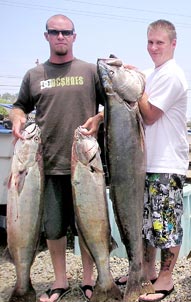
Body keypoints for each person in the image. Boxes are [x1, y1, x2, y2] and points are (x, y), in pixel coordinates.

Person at [10, 14, 105, 302]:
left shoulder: (90, 71)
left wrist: (100, 118)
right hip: (45, 166)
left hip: (86, 167)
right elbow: (19, 107)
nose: (60, 37)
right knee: (53, 228)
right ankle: (60, 281)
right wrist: (16, 119)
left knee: (88, 225)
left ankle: (90, 281)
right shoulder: (34, 75)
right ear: (46, 36)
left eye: (66, 32)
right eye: (55, 32)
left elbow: (111, 104)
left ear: (74, 36)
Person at [115, 19, 189, 302]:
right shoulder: (151, 73)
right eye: (150, 42)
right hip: (144, 164)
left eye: (160, 42)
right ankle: (147, 271)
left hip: (166, 165)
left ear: (173, 43)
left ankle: (166, 278)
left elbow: (148, 114)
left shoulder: (172, 75)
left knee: (165, 224)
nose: (154, 47)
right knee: (147, 224)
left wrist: (136, 85)